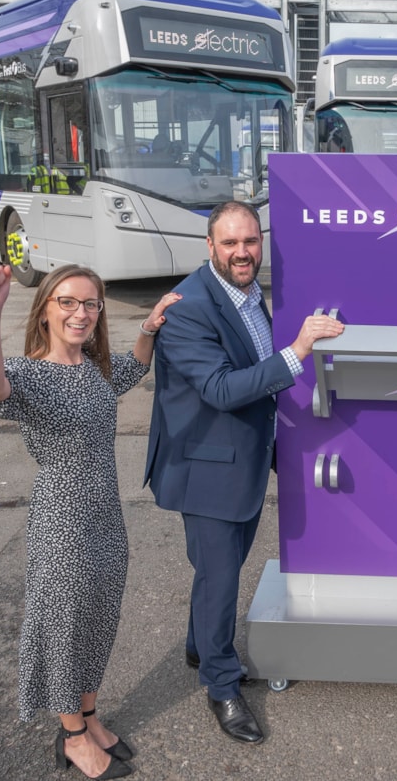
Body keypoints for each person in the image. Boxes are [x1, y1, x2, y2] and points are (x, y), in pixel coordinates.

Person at [144, 200, 344, 745]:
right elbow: (221, 390)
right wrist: (301, 349)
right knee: (222, 576)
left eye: (250, 242)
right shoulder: (189, 307)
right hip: (206, 467)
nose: (241, 253)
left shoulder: (253, 295)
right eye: (230, 243)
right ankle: (222, 684)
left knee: (217, 569)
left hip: (244, 459)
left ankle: (197, 646)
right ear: (210, 246)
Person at [0, 263, 181, 780]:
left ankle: (89, 717)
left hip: (105, 518)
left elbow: (129, 373)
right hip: (62, 523)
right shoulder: (28, 374)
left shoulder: (91, 366)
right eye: (67, 302)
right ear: (45, 309)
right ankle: (71, 738)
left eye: (90, 304)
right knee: (65, 629)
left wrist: (149, 327)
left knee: (96, 621)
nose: (80, 313)